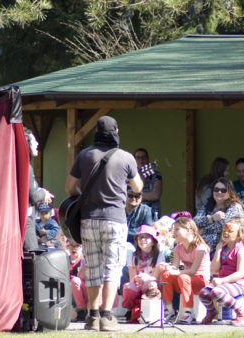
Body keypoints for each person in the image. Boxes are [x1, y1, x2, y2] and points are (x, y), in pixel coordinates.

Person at [64, 116, 143, 332]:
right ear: (116, 131)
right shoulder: (125, 157)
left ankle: (92, 316)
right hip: (115, 219)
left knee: (92, 267)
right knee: (112, 268)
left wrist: (82, 199)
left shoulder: (84, 155)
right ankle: (107, 316)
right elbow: (137, 187)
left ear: (96, 132)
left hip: (88, 219)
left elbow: (69, 187)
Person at [198, 217, 244, 326]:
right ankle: (212, 311)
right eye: (224, 231)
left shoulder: (241, 251)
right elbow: (214, 269)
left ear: (239, 235)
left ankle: (242, 313)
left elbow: (240, 274)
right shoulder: (223, 249)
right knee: (204, 293)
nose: (226, 233)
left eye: (230, 231)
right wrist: (218, 250)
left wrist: (222, 280)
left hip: (239, 283)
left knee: (217, 292)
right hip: (224, 283)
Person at [158, 217, 211, 324]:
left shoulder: (200, 248)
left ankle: (188, 312)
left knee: (183, 277)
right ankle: (169, 310)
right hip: (185, 281)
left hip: (201, 282)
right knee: (165, 275)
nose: (174, 232)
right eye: (174, 229)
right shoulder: (178, 248)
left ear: (187, 230)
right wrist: (167, 267)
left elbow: (193, 271)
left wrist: (177, 272)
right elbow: (175, 266)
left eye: (177, 229)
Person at [121, 225, 166, 323]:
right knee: (128, 286)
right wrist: (136, 278)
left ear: (153, 242)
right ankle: (129, 310)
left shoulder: (159, 256)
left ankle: (148, 309)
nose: (142, 240)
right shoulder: (133, 256)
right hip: (138, 283)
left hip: (152, 283)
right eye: (140, 237)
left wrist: (146, 277)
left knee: (150, 284)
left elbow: (156, 277)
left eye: (146, 237)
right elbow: (132, 277)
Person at [194, 177, 244, 257]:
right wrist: (211, 219)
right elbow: (194, 223)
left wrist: (201, 230)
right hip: (200, 247)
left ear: (230, 192)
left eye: (223, 190)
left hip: (221, 249)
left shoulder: (235, 207)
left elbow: (224, 226)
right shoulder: (206, 207)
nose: (219, 192)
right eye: (216, 189)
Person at [23, 128, 54, 251]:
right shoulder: (26, 167)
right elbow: (33, 196)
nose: (37, 144)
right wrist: (43, 193)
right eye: (33, 141)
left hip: (24, 221)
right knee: (31, 255)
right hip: (26, 222)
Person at [134, 148, 162, 219]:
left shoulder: (155, 174)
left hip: (152, 212)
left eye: (143, 157)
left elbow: (155, 195)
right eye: (138, 158)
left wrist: (135, 195)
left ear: (147, 159)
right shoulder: (130, 176)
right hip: (134, 214)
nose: (141, 160)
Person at [68, 242, 88, 322]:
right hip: (68, 287)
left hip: (83, 287)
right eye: (71, 246)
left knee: (75, 281)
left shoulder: (85, 259)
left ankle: (82, 310)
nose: (73, 248)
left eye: (77, 246)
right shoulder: (65, 259)